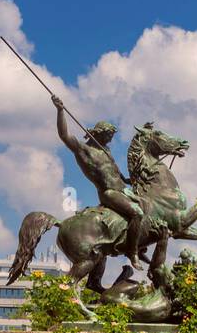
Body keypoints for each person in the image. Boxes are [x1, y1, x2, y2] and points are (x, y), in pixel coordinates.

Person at [51, 95, 146, 267]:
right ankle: (133, 253)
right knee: (137, 214)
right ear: (99, 133)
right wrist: (60, 111)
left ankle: (140, 244)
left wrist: (126, 179)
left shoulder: (105, 150)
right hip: (109, 193)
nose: (110, 139)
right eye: (108, 135)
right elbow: (64, 135)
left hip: (123, 190)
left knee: (149, 209)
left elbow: (113, 171)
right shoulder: (83, 150)